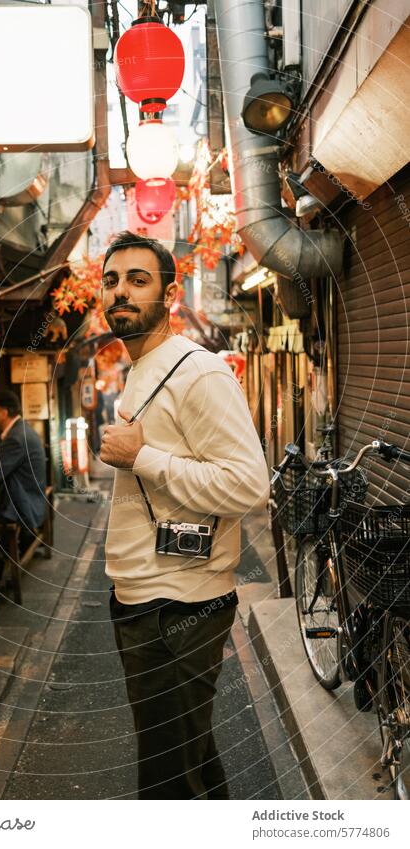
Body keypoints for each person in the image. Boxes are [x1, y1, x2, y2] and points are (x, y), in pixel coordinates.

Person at [99, 231, 269, 800]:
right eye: (112, 281)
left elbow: (249, 485)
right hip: (145, 598)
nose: (120, 292)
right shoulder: (142, 368)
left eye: (138, 280)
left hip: (181, 606)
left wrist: (142, 456)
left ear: (169, 295)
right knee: (189, 763)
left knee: (167, 781)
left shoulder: (199, 373)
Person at [0, 389, 47, 535]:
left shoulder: (16, 438)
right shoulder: (21, 429)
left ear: (4, 412)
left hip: (25, 504)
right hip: (33, 496)